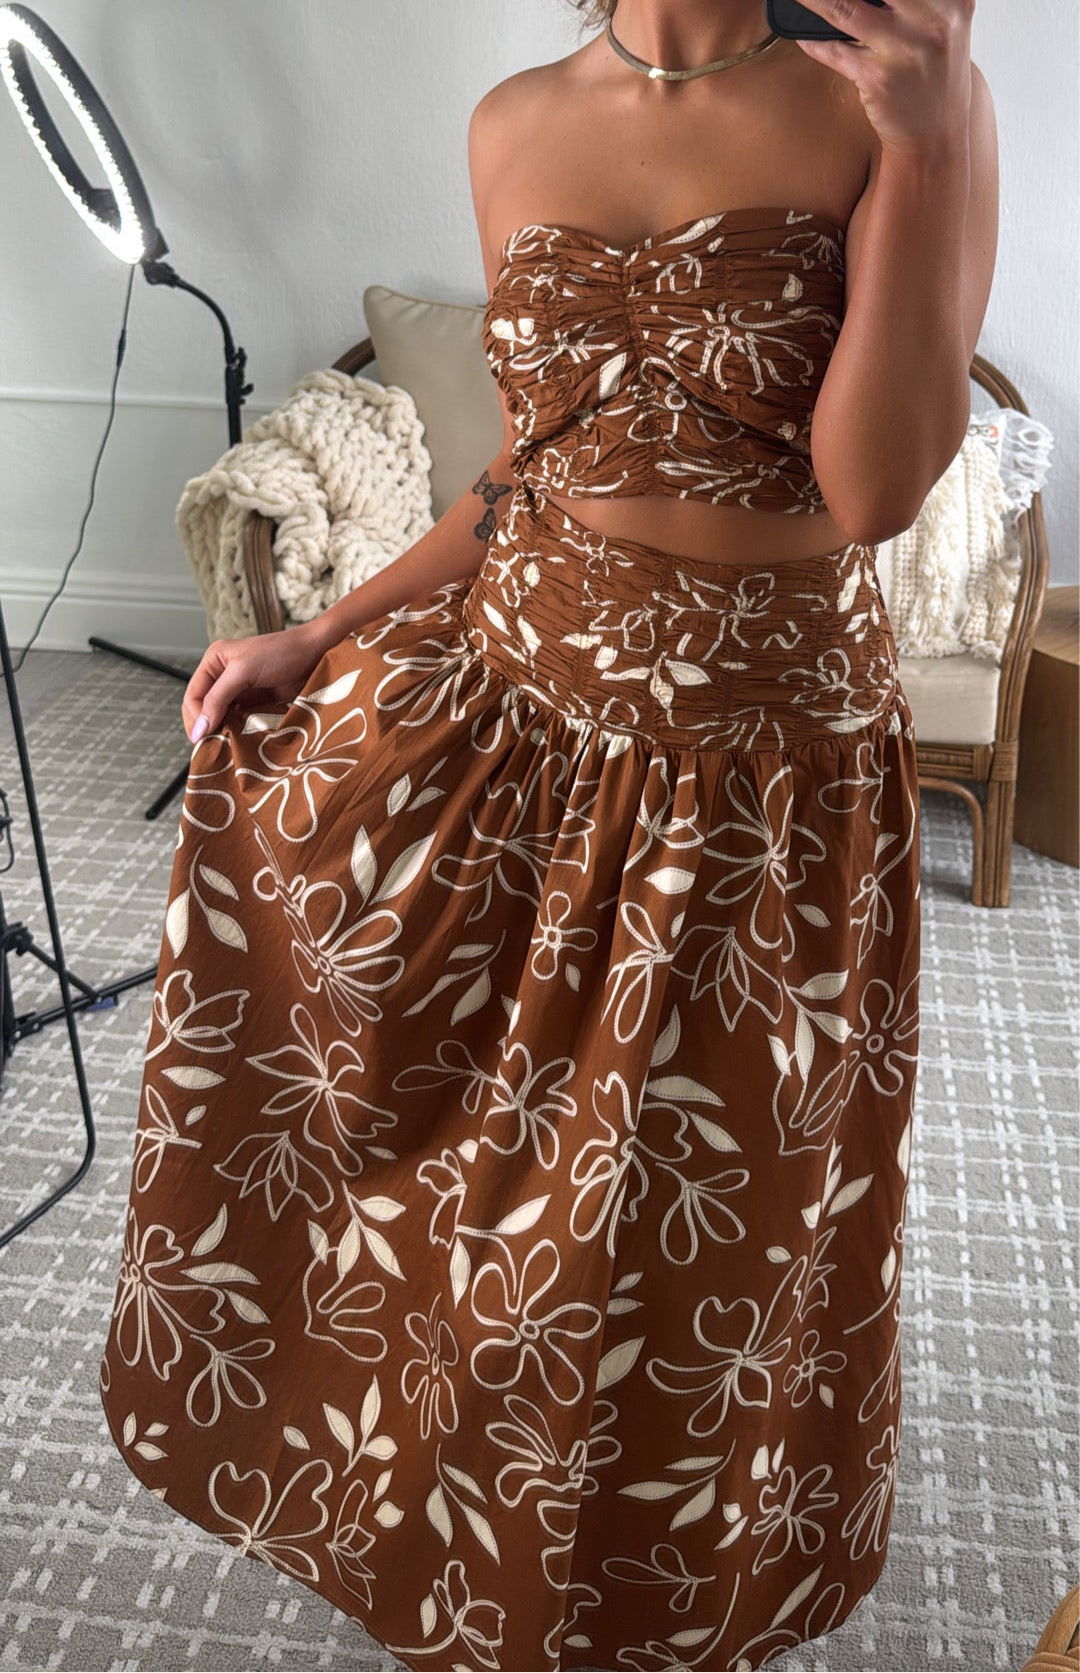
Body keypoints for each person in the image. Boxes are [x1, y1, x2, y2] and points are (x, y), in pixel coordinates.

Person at [98, 2, 998, 1669]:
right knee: (472, 1185)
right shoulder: (516, 121)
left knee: (686, 1239)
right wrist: (322, 631)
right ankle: (457, 1542)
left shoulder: (901, 103)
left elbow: (874, 492)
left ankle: (650, 1600)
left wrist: (932, 141)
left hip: (756, 783)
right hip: (520, 712)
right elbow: (529, 463)